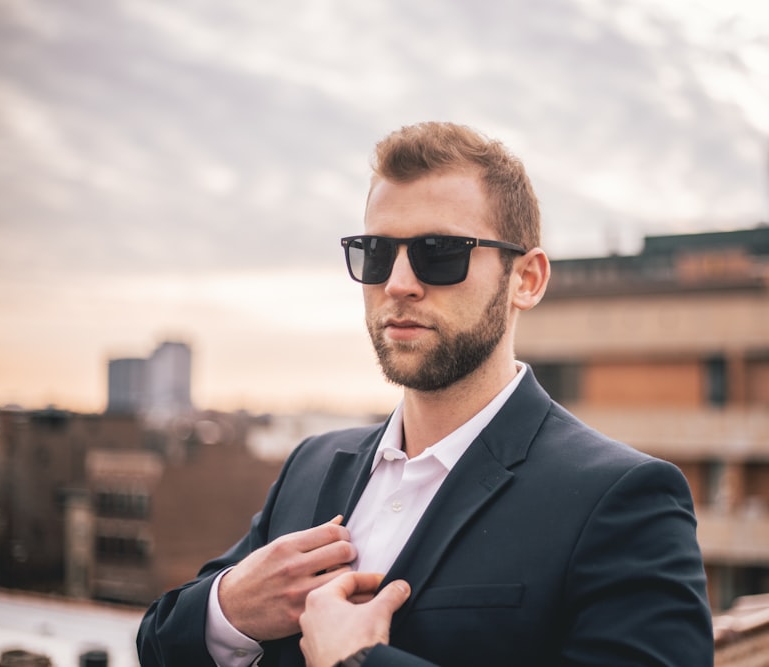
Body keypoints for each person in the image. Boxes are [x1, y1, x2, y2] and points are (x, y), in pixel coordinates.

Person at [136, 121, 713, 667]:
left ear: (527, 280)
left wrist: (360, 661)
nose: (399, 284)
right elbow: (158, 645)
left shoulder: (621, 498)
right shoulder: (310, 467)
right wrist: (231, 609)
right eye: (377, 253)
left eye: (441, 253)